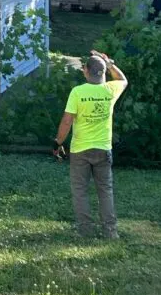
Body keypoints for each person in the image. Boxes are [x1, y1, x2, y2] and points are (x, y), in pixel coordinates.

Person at [54, 49, 128, 240]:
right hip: (103, 149)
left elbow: (67, 121)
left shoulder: (78, 92)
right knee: (105, 191)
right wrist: (109, 63)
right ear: (103, 73)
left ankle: (85, 230)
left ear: (86, 70)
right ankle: (110, 232)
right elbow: (123, 79)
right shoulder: (110, 90)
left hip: (80, 150)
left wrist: (58, 142)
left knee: (80, 191)